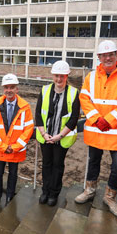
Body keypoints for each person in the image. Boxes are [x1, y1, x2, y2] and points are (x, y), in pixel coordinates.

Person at [75, 40, 117, 218]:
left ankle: (110, 197)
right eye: (104, 55)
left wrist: (109, 121)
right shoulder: (91, 77)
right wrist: (96, 119)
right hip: (96, 129)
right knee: (93, 161)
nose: (108, 58)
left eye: (111, 54)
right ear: (99, 58)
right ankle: (90, 190)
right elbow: (84, 99)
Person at [0, 73, 34, 210]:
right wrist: (2, 146)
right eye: (6, 87)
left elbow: (28, 129)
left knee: (13, 174)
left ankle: (9, 196)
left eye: (12, 87)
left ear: (17, 89)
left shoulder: (25, 107)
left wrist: (15, 147)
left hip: (15, 150)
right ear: (3, 89)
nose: (9, 90)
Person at [36, 60, 80, 206]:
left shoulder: (74, 93)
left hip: (61, 138)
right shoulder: (44, 91)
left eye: (62, 76)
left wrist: (59, 136)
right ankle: (45, 191)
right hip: (46, 137)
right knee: (46, 164)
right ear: (52, 76)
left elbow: (73, 119)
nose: (59, 79)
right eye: (56, 76)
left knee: (57, 165)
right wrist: (44, 134)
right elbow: (38, 115)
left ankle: (54, 193)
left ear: (67, 76)